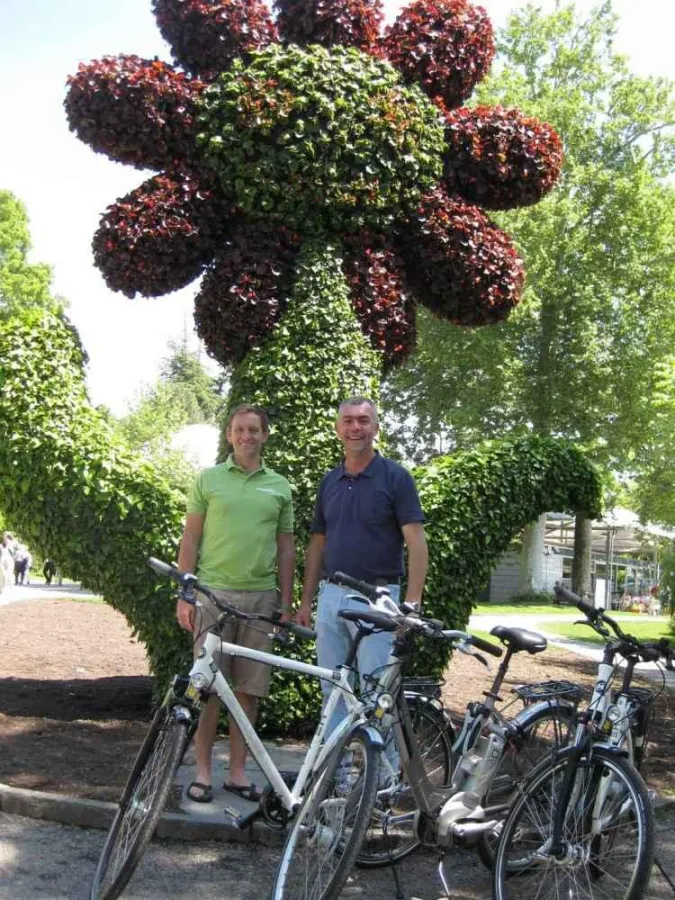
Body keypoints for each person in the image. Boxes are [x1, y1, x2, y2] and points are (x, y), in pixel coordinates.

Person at [175, 404, 295, 804]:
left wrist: (287, 602)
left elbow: (286, 548)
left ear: (265, 435)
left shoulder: (279, 486)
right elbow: (190, 539)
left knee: (248, 692)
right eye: (239, 430)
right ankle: (204, 772)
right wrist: (185, 593)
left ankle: (238, 773)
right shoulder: (208, 480)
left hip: (260, 602)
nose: (246, 436)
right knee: (207, 689)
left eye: (254, 430)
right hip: (212, 597)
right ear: (229, 435)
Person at [296, 396, 428, 737]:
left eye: (363, 420)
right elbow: (318, 544)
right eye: (349, 420)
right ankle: (336, 778)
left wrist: (411, 604)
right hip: (331, 598)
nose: (356, 427)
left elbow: (416, 541)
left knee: (376, 694)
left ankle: (382, 782)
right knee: (333, 691)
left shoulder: (396, 478)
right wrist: (307, 599)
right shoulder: (329, 482)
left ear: (376, 427)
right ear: (338, 428)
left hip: (379, 599)